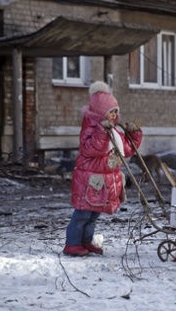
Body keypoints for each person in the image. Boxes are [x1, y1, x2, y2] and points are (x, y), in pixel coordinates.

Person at [63, 81, 142, 257]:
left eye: (115, 111)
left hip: (103, 180)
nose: (114, 115)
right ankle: (72, 243)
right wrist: (101, 132)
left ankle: (85, 241)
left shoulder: (114, 130)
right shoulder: (91, 129)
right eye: (110, 112)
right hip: (89, 179)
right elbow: (91, 149)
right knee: (83, 213)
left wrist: (134, 134)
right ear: (100, 112)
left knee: (94, 214)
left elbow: (127, 150)